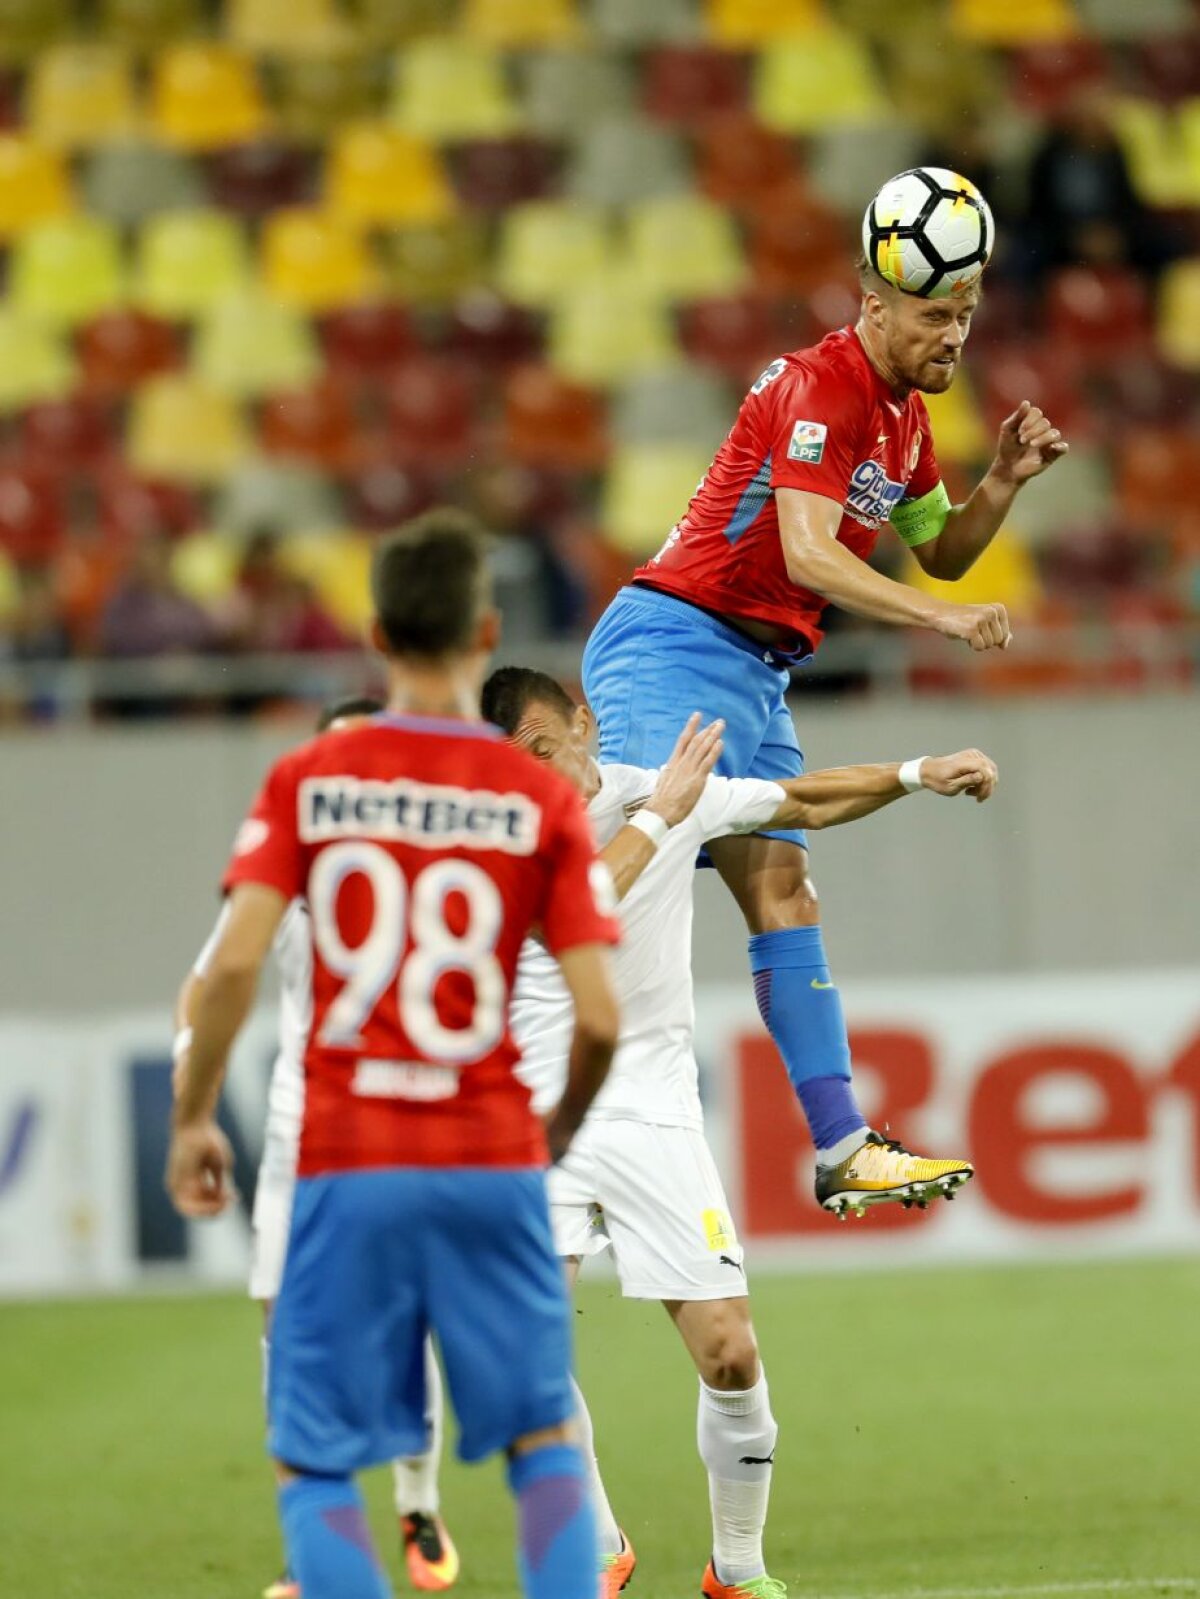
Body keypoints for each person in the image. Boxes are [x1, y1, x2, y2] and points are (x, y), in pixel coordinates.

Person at [581, 171, 1066, 1214]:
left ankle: (844, 1145)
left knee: (785, 895)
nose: (956, 337)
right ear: (872, 300)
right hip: (673, 642)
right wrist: (937, 624)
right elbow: (807, 554)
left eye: (969, 314)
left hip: (755, 671)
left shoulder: (903, 422)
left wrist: (1007, 483)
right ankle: (550, 1111)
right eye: (938, 315)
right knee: (641, 878)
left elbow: (942, 549)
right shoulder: (820, 388)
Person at [167, 510, 622, 1599]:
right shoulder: (538, 797)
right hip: (490, 1159)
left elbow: (229, 971)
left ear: (375, 631)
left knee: (315, 1453)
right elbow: (601, 1019)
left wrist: (191, 1116)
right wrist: (549, 1132)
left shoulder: (309, 781)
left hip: (346, 1159)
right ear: (487, 629)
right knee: (541, 1439)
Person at [482, 665, 999, 1599]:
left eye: (538, 750)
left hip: (653, 1113)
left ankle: (739, 1569)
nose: (531, 775)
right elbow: (574, 917)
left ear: (582, 725)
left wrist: (922, 769)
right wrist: (663, 815)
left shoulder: (659, 793)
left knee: (730, 1351)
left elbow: (801, 796)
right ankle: (597, 1551)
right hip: (535, 1123)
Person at [175, 696, 459, 1599]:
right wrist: (197, 1088)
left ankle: (416, 1500)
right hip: (306, 1136)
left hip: (412, 1127)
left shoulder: (441, 857)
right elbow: (211, 979)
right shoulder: (292, 862)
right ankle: (314, 1553)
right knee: (285, 1333)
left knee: (407, 1326)